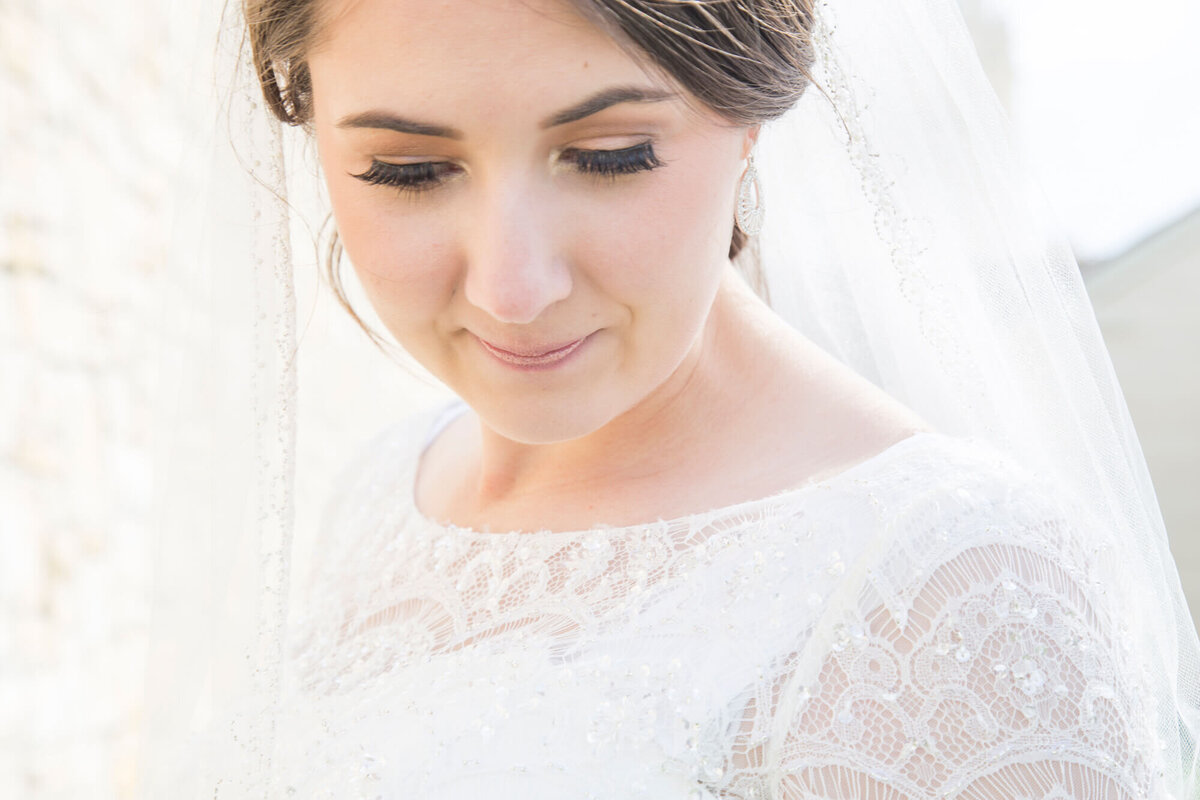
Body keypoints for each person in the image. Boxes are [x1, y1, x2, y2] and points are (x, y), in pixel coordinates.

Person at [140, 0, 1200, 797]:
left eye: (610, 157)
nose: (513, 286)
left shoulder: (950, 586)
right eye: (409, 170)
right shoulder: (380, 497)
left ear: (749, 116)